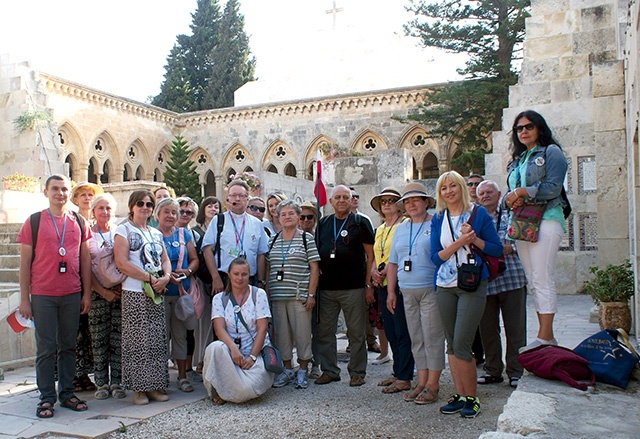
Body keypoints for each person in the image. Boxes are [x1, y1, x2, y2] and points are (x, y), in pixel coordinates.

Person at [17, 174, 92, 418]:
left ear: (69, 193)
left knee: (68, 347)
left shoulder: (79, 221)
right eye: (55, 189)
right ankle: (46, 397)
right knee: (46, 348)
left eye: (64, 189)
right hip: (43, 295)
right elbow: (25, 263)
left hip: (71, 293)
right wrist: (24, 299)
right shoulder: (34, 221)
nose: (60, 193)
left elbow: (85, 261)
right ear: (46, 192)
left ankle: (67, 393)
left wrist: (86, 294)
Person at [430, 171, 502, 418]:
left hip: (472, 283)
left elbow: (495, 248)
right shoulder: (439, 217)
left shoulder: (478, 213)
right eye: (443, 188)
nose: (449, 191)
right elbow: (434, 256)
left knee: (462, 343)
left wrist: (474, 239)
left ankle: (472, 398)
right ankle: (460, 396)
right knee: (452, 344)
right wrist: (459, 243)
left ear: (461, 187)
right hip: (445, 285)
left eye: (453, 186)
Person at [504, 110, 568, 352]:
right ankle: (546, 336)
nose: (524, 131)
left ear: (539, 128)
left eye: (529, 126)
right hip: (522, 223)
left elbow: (553, 188)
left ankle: (545, 336)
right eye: (519, 128)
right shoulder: (517, 161)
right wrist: (511, 199)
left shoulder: (551, 152)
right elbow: (508, 194)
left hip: (547, 218)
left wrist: (522, 193)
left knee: (542, 276)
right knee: (533, 279)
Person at [385, 183, 444, 404]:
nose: (411, 204)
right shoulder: (400, 228)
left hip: (431, 288)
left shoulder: (436, 223)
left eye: (416, 200)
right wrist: (391, 291)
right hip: (406, 291)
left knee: (432, 338)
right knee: (416, 338)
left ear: (426, 202)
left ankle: (433, 384)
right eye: (407, 201)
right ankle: (421, 380)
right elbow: (392, 262)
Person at [114, 190, 172, 405]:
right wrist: (149, 278)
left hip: (156, 292)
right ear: (132, 206)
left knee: (156, 340)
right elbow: (122, 262)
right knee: (137, 341)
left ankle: (155, 386)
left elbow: (164, 259)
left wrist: (165, 278)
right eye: (140, 203)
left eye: (149, 204)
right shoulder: (123, 230)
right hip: (135, 292)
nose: (145, 207)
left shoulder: (155, 233)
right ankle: (139, 389)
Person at [314, 185, 375, 387]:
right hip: (327, 288)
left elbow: (370, 256)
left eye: (345, 197)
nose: (341, 200)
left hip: (354, 287)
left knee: (356, 333)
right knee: (325, 332)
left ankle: (357, 372)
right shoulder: (323, 223)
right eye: (337, 197)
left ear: (352, 200)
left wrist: (368, 286)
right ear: (331, 201)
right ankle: (330, 370)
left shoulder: (361, 222)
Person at [476, 180, 527, 388]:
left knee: (515, 328)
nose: (485, 196)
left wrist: (510, 248)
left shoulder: (511, 213)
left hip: (512, 277)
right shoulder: (475, 218)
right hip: (486, 281)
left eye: (489, 192)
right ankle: (492, 369)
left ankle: (516, 371)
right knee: (487, 329)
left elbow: (524, 236)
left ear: (498, 195)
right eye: (481, 193)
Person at [202, 257, 273, 404]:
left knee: (247, 389)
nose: (239, 278)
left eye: (244, 274)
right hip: (231, 352)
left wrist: (252, 356)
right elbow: (219, 328)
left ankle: (226, 390)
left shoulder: (258, 294)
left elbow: (262, 329)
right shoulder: (219, 298)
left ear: (249, 275)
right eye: (236, 274)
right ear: (229, 274)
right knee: (214, 348)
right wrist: (233, 349)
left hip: (255, 352)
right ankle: (224, 390)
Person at [267, 200, 320, 389]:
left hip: (299, 296)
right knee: (282, 336)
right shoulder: (272, 240)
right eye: (283, 214)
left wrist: (311, 295)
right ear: (278, 217)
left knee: (303, 335)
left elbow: (314, 268)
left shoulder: (306, 239)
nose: (287, 217)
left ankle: (303, 370)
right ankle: (288, 370)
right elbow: (268, 267)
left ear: (298, 217)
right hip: (278, 296)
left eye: (291, 213)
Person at [368, 187, 415, 395]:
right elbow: (375, 255)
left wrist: (386, 269)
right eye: (383, 201)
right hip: (382, 284)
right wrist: (373, 272)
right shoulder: (380, 229)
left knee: (402, 329)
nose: (387, 204)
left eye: (391, 200)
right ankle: (397, 372)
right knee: (391, 329)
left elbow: (402, 252)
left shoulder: (405, 225)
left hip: (398, 284)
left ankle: (405, 376)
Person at [155, 198, 199, 393]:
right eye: (166, 211)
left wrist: (187, 272)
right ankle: (161, 378)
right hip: (160, 294)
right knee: (160, 337)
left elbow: (195, 259)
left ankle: (182, 376)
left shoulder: (184, 234)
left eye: (174, 212)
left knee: (181, 335)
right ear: (157, 214)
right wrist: (165, 276)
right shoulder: (152, 235)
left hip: (181, 294)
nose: (171, 216)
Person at [88, 193, 125, 400]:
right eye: (101, 208)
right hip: (97, 293)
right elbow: (84, 268)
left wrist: (117, 289)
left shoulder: (119, 233)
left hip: (119, 292)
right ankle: (101, 383)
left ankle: (117, 381)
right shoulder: (87, 234)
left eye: (109, 208)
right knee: (98, 338)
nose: (105, 212)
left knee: (117, 338)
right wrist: (102, 292)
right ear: (93, 211)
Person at [201, 180, 269, 295]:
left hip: (249, 279)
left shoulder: (256, 223)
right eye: (233, 195)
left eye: (241, 196)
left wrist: (260, 281)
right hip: (224, 279)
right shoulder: (218, 221)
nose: (237, 199)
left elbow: (261, 253)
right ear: (228, 198)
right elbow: (207, 250)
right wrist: (215, 277)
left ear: (247, 199)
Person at [70, 181, 103, 393]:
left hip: (97, 286)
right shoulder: (72, 221)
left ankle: (86, 375)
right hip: (77, 284)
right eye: (82, 194)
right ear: (75, 199)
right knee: (76, 333)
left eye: (90, 194)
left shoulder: (99, 222)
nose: (87, 197)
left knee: (91, 334)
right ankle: (75, 375)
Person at [192, 196, 222, 375]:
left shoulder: (221, 227)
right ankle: (201, 358)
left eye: (216, 206)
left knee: (216, 322)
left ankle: (211, 359)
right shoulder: (196, 231)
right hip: (203, 281)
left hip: (218, 281)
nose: (213, 209)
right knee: (202, 323)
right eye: (209, 206)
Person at [175, 196, 202, 383]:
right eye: (182, 211)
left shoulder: (191, 235)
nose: (185, 215)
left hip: (186, 288)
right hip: (165, 288)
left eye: (189, 212)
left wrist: (188, 271)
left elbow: (195, 260)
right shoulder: (159, 232)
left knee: (188, 330)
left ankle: (186, 371)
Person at [466, 174, 486, 366]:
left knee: (487, 321)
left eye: (477, 184)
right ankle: (476, 355)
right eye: (470, 184)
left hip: (488, 271)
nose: (473, 187)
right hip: (466, 274)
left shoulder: (484, 213)